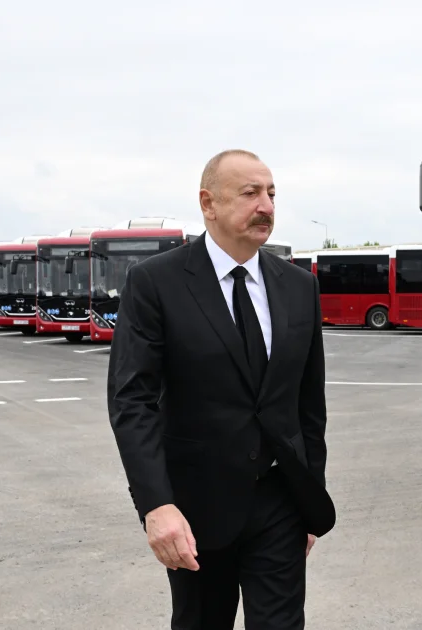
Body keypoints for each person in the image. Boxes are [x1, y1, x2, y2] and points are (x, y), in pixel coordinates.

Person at [106, 149, 335, 629]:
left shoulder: (299, 287)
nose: (266, 205)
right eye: (250, 193)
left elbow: (308, 404)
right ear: (208, 203)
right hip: (195, 509)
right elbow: (133, 402)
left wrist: (309, 497)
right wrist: (156, 505)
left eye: (271, 193)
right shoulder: (156, 282)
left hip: (281, 502)